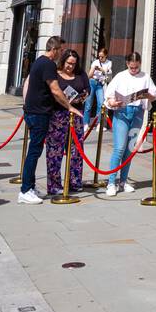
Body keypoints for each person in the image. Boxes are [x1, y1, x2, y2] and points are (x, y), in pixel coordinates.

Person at [18, 35, 81, 204]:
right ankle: (25, 190)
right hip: (39, 114)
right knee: (34, 152)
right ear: (54, 49)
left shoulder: (40, 61)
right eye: (60, 50)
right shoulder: (47, 64)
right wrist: (70, 106)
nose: (61, 53)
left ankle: (29, 186)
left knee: (35, 151)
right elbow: (55, 89)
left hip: (35, 112)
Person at [104, 52, 156, 197]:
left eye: (136, 67)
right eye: (131, 67)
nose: (134, 69)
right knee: (119, 147)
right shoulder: (120, 76)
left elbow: (154, 95)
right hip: (122, 112)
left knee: (129, 148)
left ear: (140, 63)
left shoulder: (145, 77)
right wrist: (112, 102)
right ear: (127, 64)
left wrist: (148, 96)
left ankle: (123, 181)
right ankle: (111, 182)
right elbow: (109, 95)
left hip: (138, 113)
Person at [45, 49, 90, 197]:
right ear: (63, 61)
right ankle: (54, 185)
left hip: (76, 114)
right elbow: (51, 91)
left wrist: (82, 97)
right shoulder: (56, 74)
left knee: (76, 150)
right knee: (55, 151)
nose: (70, 66)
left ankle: (75, 181)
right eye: (68, 63)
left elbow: (87, 89)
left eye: (73, 64)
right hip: (58, 115)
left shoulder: (81, 74)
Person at [84, 46, 112, 127]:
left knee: (101, 103)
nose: (100, 58)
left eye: (102, 56)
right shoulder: (95, 62)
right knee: (88, 104)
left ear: (106, 55)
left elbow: (109, 73)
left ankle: (99, 123)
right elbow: (89, 75)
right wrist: (93, 69)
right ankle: (86, 123)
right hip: (92, 82)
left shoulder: (109, 63)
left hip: (100, 84)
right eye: (99, 56)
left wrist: (101, 69)